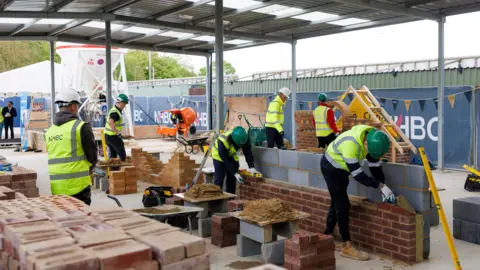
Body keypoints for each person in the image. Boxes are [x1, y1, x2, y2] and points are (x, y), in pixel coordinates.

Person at [321, 125, 395, 261]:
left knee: (337, 202)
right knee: (343, 205)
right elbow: (358, 175)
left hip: (342, 168)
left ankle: (327, 236)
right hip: (332, 168)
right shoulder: (351, 145)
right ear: (365, 143)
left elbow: (374, 164)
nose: (370, 155)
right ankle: (346, 246)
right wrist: (379, 185)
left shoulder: (372, 136)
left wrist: (383, 186)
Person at [45, 90, 98, 205]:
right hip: (78, 186)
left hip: (57, 187)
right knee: (81, 220)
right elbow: (92, 155)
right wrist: (91, 167)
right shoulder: (81, 127)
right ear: (74, 106)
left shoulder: (50, 131)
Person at [211, 126, 259, 194]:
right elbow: (226, 160)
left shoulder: (244, 137)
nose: (240, 147)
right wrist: (235, 173)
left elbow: (248, 152)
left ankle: (230, 198)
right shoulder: (223, 142)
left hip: (232, 155)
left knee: (232, 178)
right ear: (233, 140)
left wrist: (251, 166)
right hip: (219, 156)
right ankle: (216, 199)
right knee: (220, 177)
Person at [104, 94, 129, 162]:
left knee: (113, 156)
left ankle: (113, 171)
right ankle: (123, 170)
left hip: (107, 136)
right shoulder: (116, 112)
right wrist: (117, 133)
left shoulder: (114, 109)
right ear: (121, 102)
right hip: (113, 137)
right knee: (122, 156)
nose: (124, 106)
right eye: (124, 104)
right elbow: (111, 122)